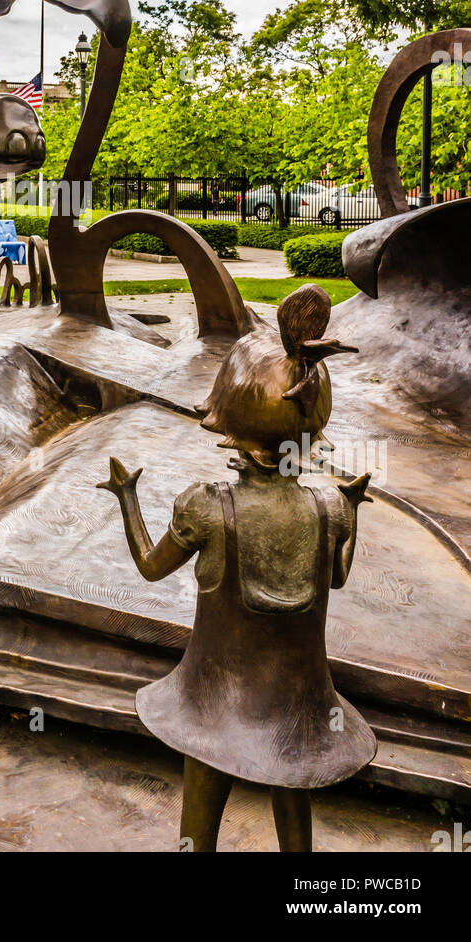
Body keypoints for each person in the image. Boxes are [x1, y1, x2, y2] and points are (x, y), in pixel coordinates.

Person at [98, 283, 376, 852]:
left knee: (201, 796)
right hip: (299, 708)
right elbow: (337, 576)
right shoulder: (327, 510)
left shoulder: (207, 508)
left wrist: (127, 499)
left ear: (227, 418)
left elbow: (150, 568)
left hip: (212, 701)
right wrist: (350, 512)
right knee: (293, 789)